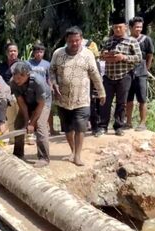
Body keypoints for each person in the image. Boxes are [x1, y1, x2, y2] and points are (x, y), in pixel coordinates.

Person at [50, 26, 106, 166]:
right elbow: (51, 71)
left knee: (80, 127)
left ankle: (78, 156)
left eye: (77, 41)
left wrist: (101, 92)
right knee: (68, 128)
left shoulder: (88, 55)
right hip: (62, 99)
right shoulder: (58, 53)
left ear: (81, 39)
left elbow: (95, 75)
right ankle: (73, 151)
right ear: (66, 40)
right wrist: (53, 83)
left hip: (82, 99)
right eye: (71, 41)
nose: (74, 44)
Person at [97, 16, 142, 137]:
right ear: (112, 28)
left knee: (121, 102)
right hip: (108, 75)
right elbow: (100, 56)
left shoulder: (132, 41)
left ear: (125, 27)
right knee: (105, 101)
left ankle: (119, 126)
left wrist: (124, 57)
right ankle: (102, 126)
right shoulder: (108, 41)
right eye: (115, 27)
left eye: (120, 27)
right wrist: (104, 55)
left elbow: (139, 58)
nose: (117, 29)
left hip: (124, 76)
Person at [10, 62, 52, 168]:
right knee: (18, 124)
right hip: (27, 102)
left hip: (42, 103)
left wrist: (32, 123)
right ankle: (18, 154)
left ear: (27, 75)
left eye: (20, 78)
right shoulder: (13, 82)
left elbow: (41, 104)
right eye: (15, 77)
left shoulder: (38, 82)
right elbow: (21, 103)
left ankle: (44, 158)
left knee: (40, 125)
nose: (17, 80)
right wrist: (26, 120)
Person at [126, 16, 155, 131]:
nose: (139, 29)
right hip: (128, 72)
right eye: (136, 27)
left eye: (140, 27)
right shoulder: (126, 40)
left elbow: (150, 55)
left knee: (142, 99)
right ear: (130, 28)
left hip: (141, 72)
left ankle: (142, 123)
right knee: (128, 99)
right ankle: (128, 122)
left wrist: (146, 69)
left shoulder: (146, 40)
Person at [27, 43, 57, 136]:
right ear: (34, 53)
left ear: (43, 53)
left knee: (48, 110)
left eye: (41, 52)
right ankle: (34, 130)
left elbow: (49, 77)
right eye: (37, 52)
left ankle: (52, 129)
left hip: (45, 91)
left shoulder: (47, 64)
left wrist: (51, 87)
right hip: (32, 91)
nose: (39, 54)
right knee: (34, 111)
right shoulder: (28, 63)